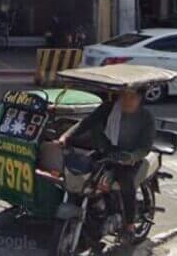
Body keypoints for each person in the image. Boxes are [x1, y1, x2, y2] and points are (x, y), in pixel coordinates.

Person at [58, 88, 155, 242]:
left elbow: (145, 147)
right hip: (106, 152)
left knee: (126, 182)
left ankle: (129, 226)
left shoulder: (146, 118)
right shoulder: (108, 108)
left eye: (132, 97)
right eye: (124, 96)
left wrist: (131, 157)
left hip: (128, 158)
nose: (127, 100)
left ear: (140, 98)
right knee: (87, 178)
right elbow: (86, 123)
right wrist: (66, 136)